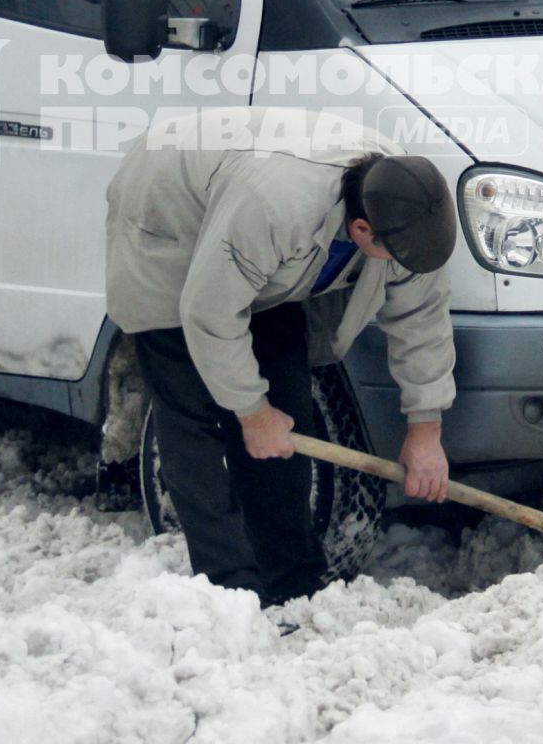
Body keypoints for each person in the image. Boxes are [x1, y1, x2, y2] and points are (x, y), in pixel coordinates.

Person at [105, 108, 458, 608]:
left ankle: (294, 580)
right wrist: (251, 411)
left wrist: (426, 430)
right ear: (361, 230)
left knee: (286, 419)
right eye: (396, 259)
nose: (405, 270)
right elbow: (208, 311)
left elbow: (422, 317)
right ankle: (230, 589)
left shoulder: (408, 210)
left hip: (262, 254)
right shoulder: (275, 207)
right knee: (194, 418)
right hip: (169, 217)